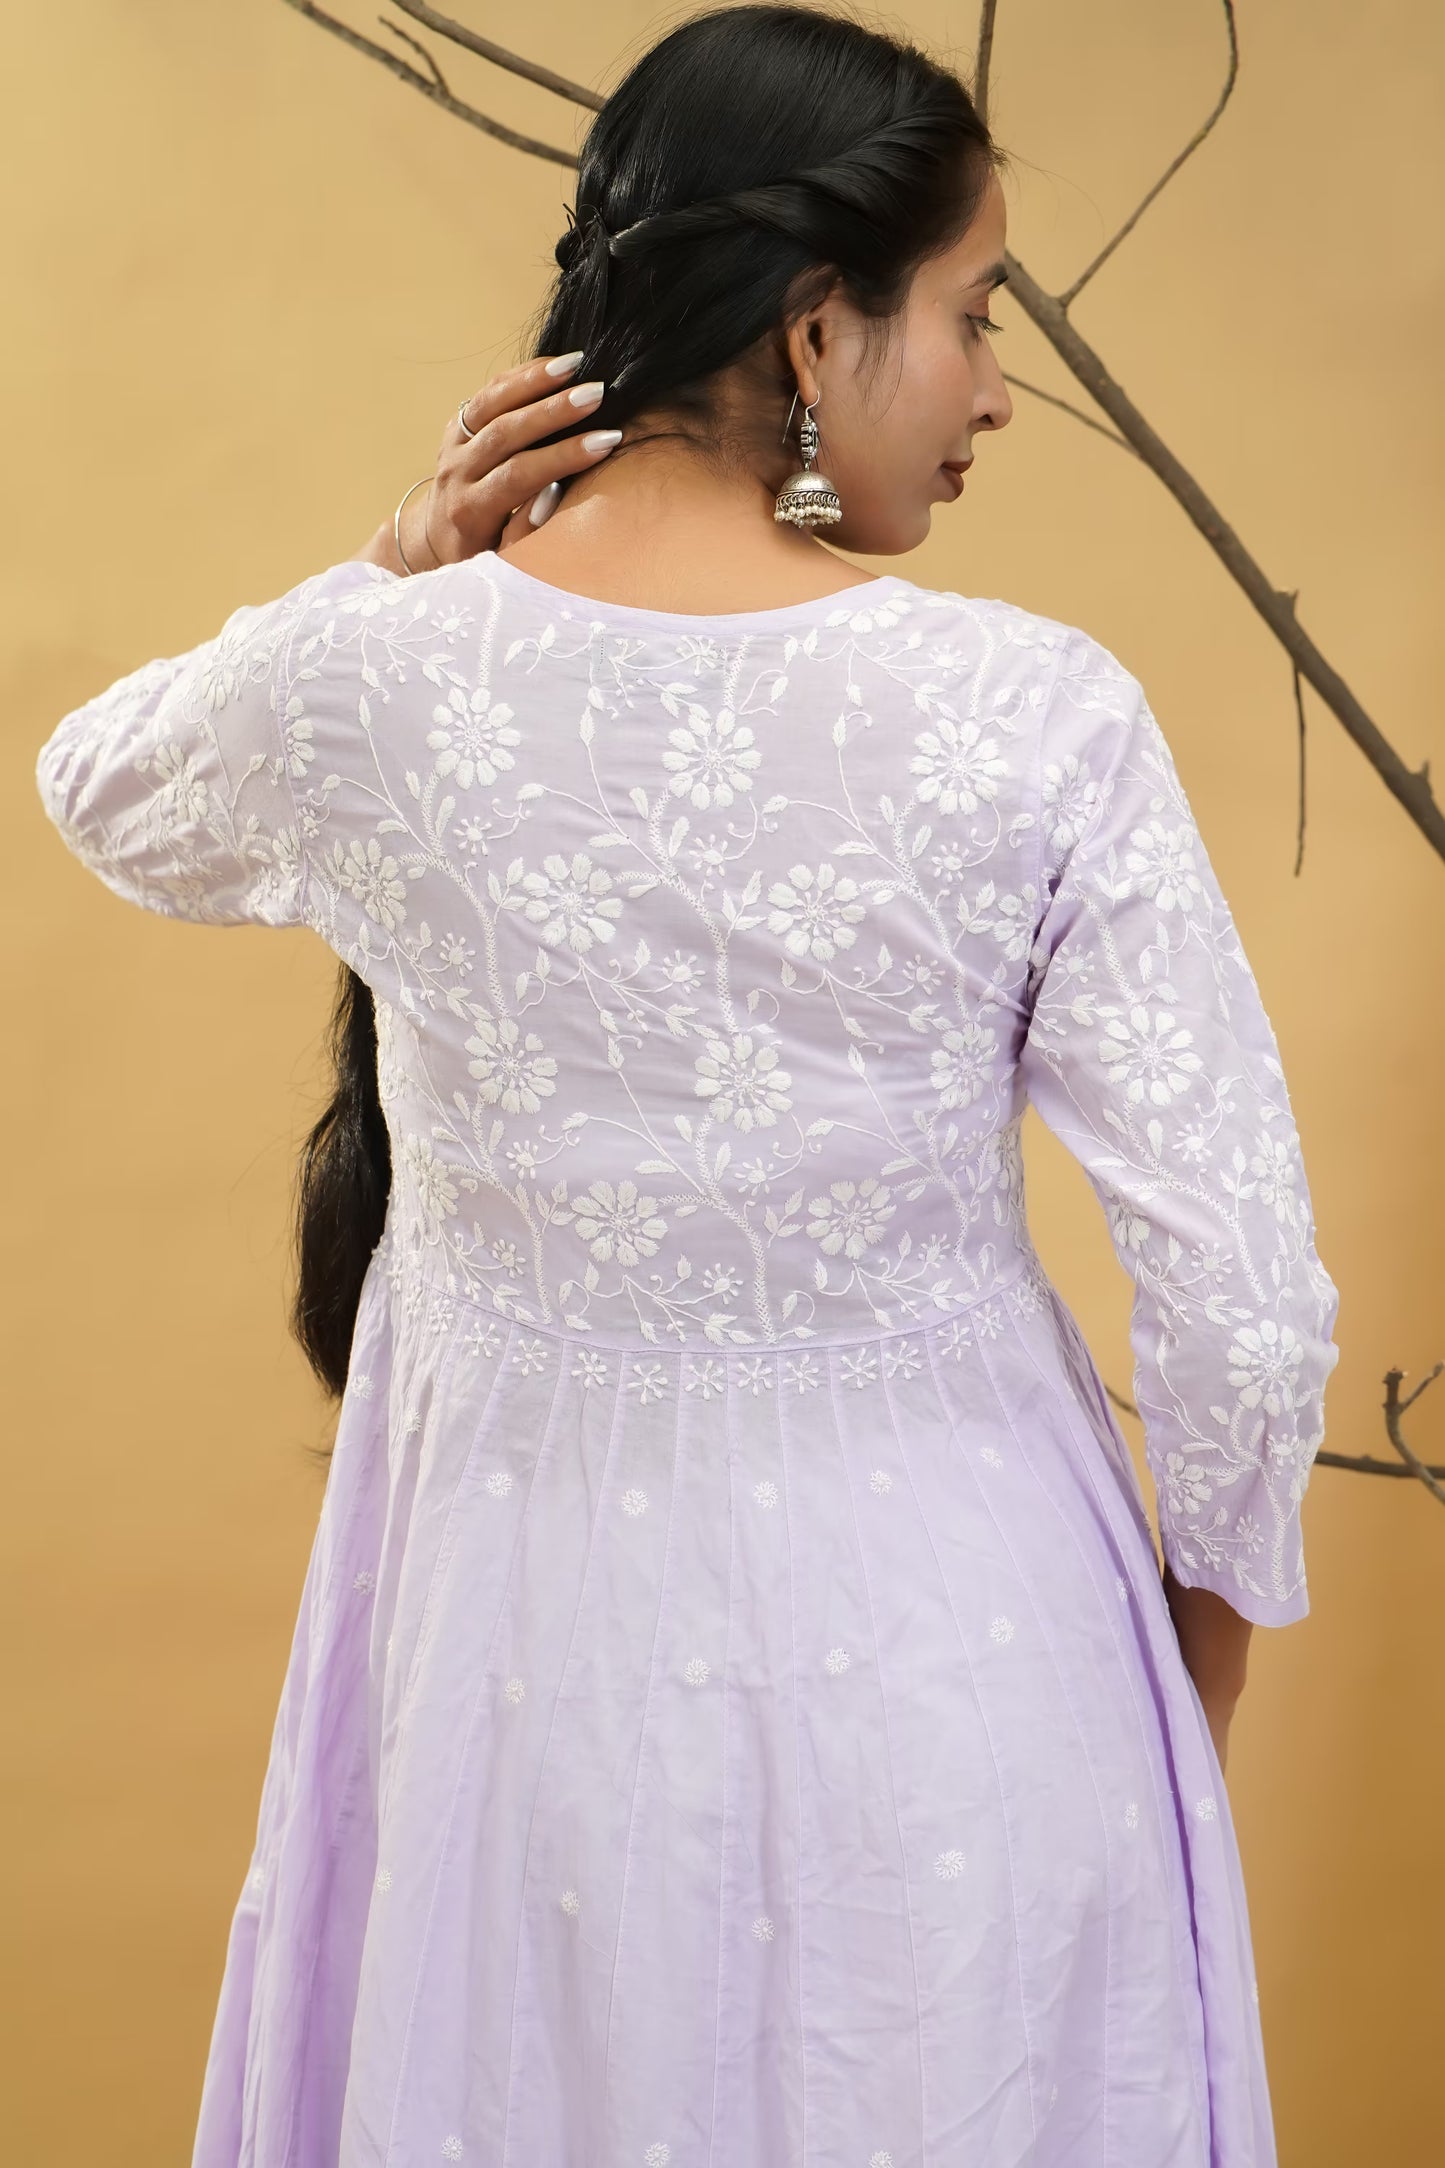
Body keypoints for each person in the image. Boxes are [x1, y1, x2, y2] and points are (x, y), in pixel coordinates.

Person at [34, 6, 1339, 2162]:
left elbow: (108, 789)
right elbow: (1249, 1305)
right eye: (972, 313)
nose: (1004, 385)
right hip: (976, 1695)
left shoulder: (381, 680)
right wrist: (1179, 1708)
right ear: (819, 334)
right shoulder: (1034, 719)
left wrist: (395, 572)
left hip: (515, 1710)